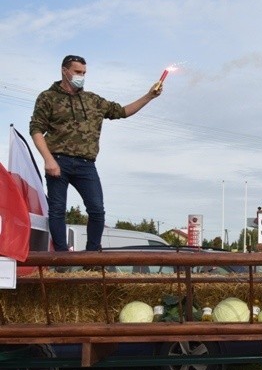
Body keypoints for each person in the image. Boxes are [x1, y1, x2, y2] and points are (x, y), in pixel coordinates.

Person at [29, 55, 162, 251]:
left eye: (84, 73)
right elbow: (36, 129)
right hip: (58, 161)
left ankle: (91, 255)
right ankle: (62, 257)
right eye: (77, 72)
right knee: (57, 210)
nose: (81, 76)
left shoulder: (93, 100)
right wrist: (48, 160)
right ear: (64, 71)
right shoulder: (48, 97)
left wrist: (149, 96)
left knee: (97, 210)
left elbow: (123, 112)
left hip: (86, 164)